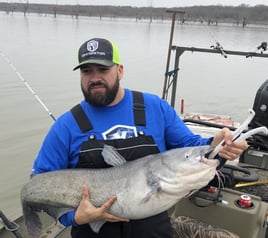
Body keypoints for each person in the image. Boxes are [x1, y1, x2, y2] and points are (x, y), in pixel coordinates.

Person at [32, 37, 248, 238]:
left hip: (154, 229)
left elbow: (191, 148)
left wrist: (219, 144)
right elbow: (39, 183)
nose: (95, 78)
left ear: (120, 70)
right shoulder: (66, 126)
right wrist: (74, 217)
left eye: (103, 69)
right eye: (87, 71)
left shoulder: (155, 108)